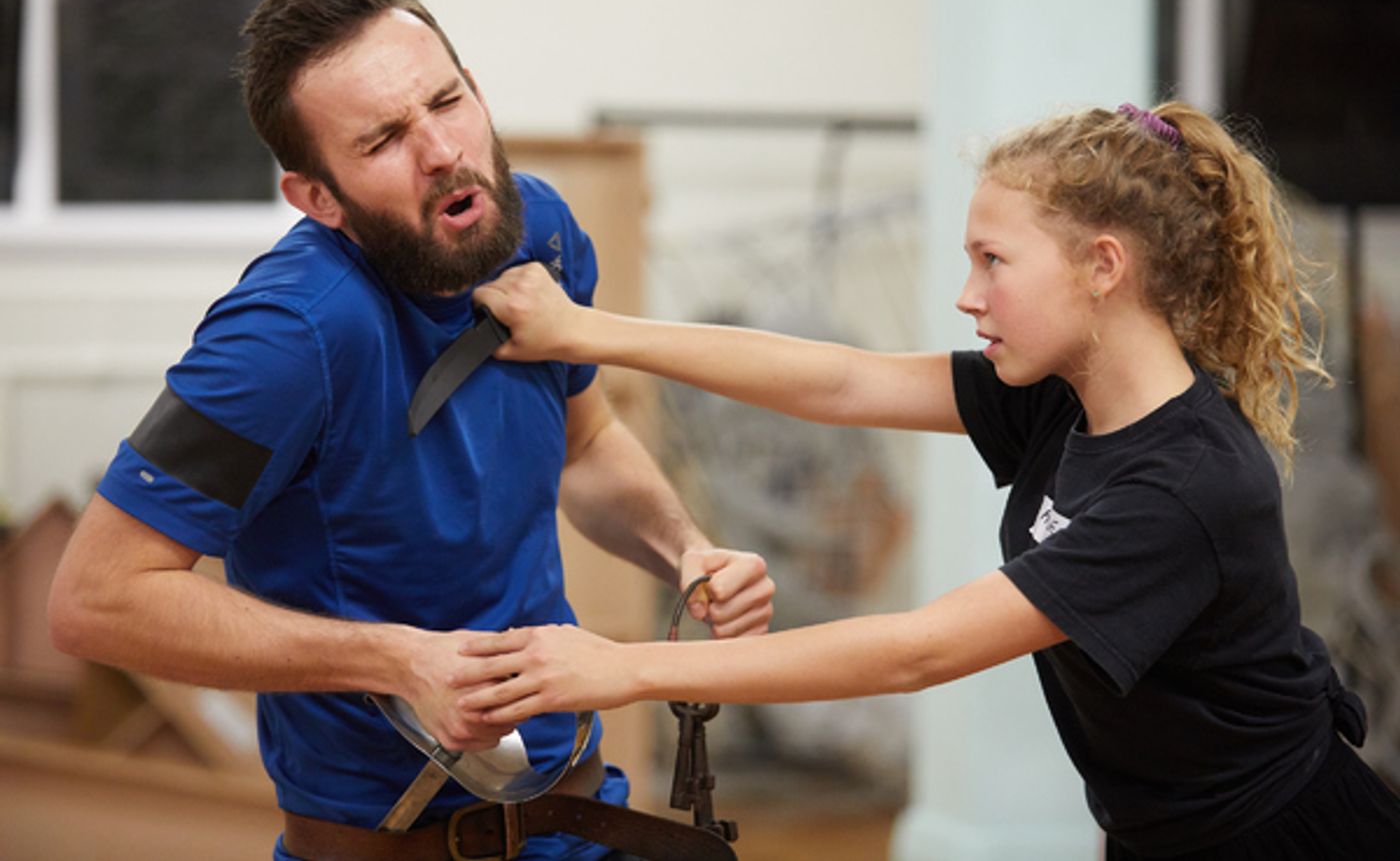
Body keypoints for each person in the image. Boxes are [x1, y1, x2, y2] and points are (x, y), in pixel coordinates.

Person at [458, 102, 1400, 859]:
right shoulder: (1064, 394)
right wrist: (590, 331)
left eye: (994, 261)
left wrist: (622, 668)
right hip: (1157, 830)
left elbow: (917, 650)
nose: (968, 293)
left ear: (1103, 267)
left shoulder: (1185, 486)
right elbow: (841, 379)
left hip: (1283, 833)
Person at [45, 0, 773, 861]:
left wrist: (683, 548)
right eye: (384, 138)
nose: (442, 151)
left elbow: (585, 444)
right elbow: (95, 598)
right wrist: (398, 660)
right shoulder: (287, 334)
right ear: (317, 197)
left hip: (582, 811)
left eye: (447, 101)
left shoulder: (535, 229)